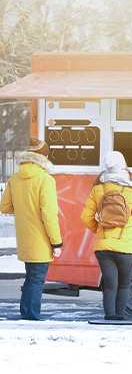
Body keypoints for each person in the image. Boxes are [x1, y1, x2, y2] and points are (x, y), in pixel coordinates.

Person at [81, 151, 132, 320]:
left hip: (103, 247)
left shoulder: (98, 188)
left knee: (110, 285)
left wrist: (99, 230)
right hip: (126, 247)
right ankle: (120, 316)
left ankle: (109, 316)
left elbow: (85, 217)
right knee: (124, 285)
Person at [0, 137, 63, 320]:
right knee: (36, 280)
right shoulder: (45, 180)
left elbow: (5, 207)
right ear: (44, 158)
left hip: (25, 239)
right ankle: (33, 316)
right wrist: (56, 242)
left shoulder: (14, 178)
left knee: (30, 278)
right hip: (41, 240)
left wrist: (23, 208)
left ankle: (26, 313)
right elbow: (49, 215)